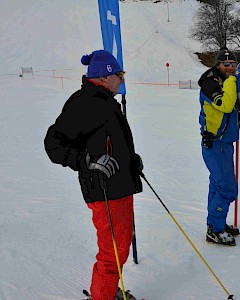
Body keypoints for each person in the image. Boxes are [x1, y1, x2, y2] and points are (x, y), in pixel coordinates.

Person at [44, 50, 143, 300]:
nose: (122, 79)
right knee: (113, 252)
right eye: (120, 74)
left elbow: (108, 142)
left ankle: (107, 290)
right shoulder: (86, 102)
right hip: (105, 190)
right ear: (106, 76)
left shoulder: (104, 100)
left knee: (118, 248)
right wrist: (86, 161)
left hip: (118, 186)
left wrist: (131, 162)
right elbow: (54, 143)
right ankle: (103, 296)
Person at [198, 47, 240, 246]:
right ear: (218, 65)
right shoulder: (209, 83)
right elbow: (226, 105)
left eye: (233, 65)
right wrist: (231, 82)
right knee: (228, 189)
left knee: (217, 184)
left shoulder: (228, 82)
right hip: (215, 143)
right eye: (226, 64)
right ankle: (216, 229)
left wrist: (239, 85)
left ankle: (215, 224)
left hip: (226, 143)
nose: (230, 68)